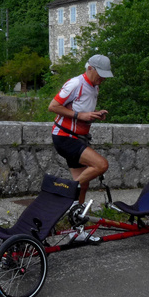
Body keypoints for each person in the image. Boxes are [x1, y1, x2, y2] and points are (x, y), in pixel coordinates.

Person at [48, 54, 113, 206]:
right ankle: (60, 191)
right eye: (101, 74)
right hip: (64, 137)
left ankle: (76, 218)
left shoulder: (95, 87)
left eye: (105, 75)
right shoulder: (76, 84)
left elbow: (82, 108)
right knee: (101, 165)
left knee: (83, 185)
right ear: (90, 68)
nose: (103, 79)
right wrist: (80, 115)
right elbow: (53, 107)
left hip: (77, 138)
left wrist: (95, 114)